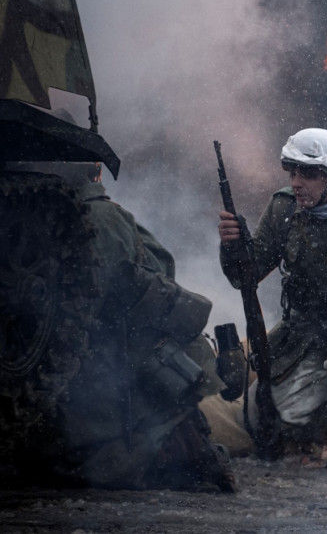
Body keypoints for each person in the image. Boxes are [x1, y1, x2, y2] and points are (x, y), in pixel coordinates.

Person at [1, 156, 233, 492]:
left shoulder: (69, 221)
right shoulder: (97, 219)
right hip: (94, 390)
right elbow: (159, 272)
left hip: (87, 391)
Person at [218, 128, 327, 470]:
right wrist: (232, 245)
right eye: (293, 172)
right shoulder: (283, 208)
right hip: (305, 333)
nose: (297, 182)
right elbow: (246, 277)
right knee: (264, 421)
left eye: (310, 174)